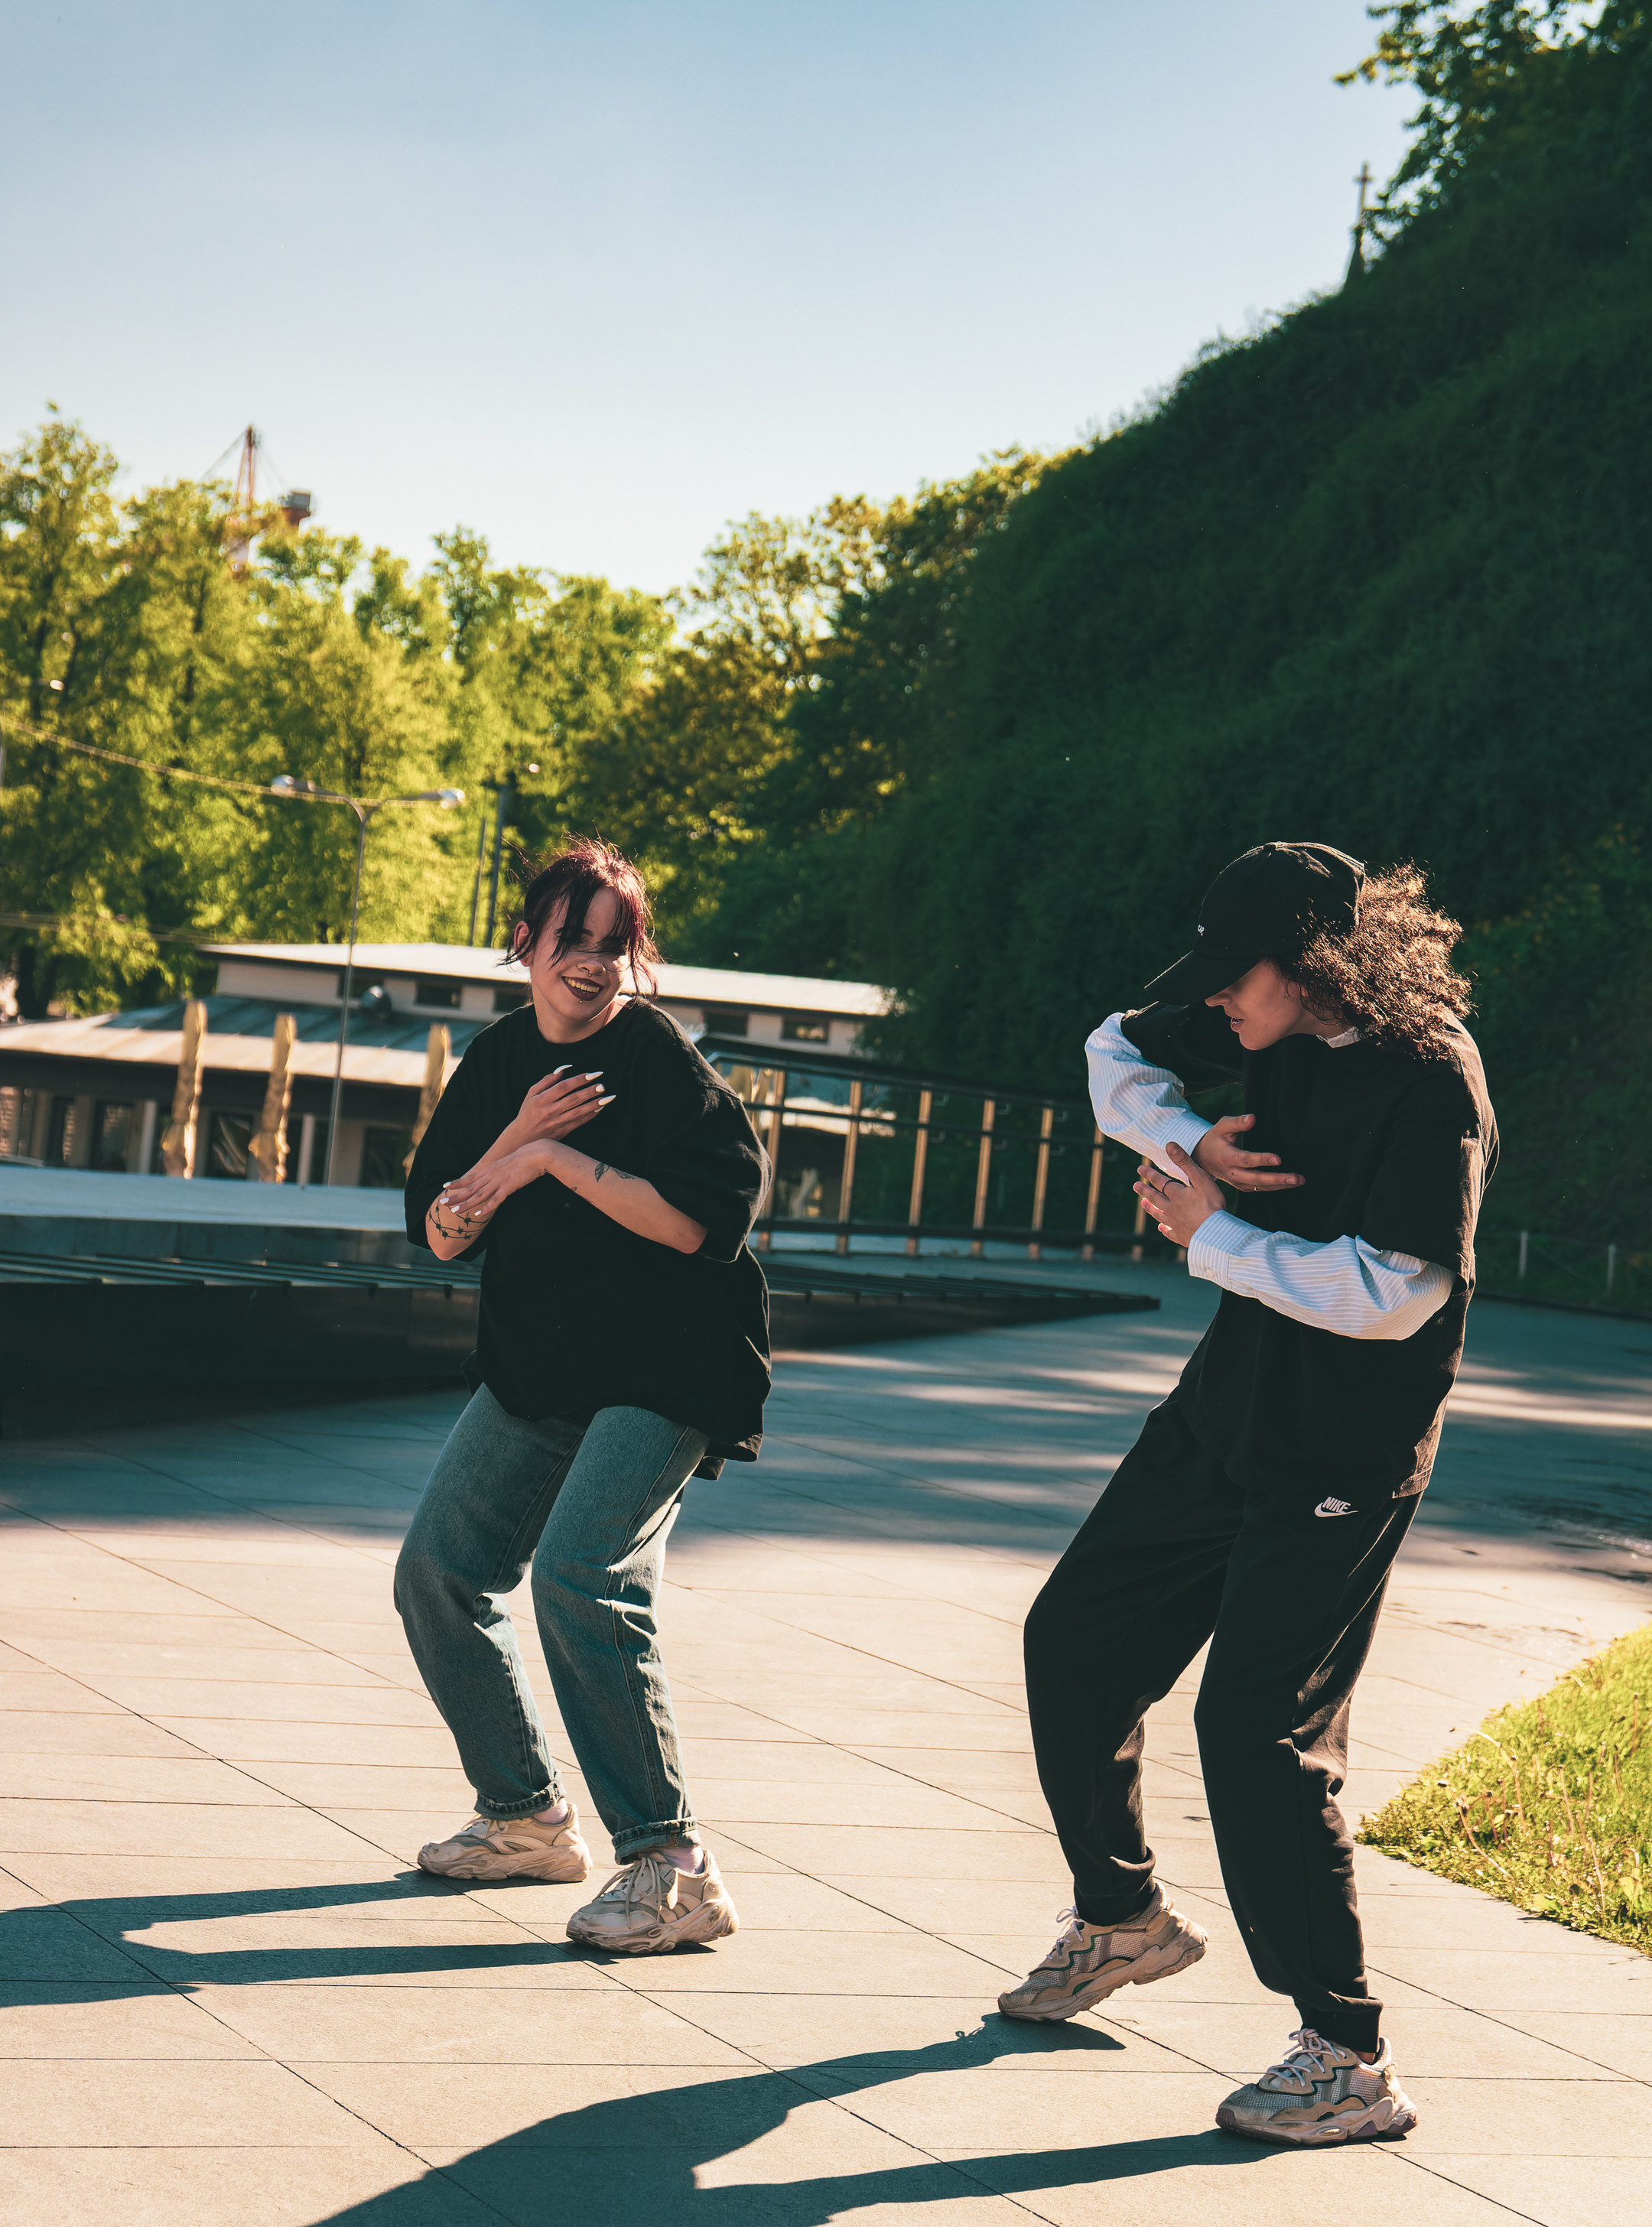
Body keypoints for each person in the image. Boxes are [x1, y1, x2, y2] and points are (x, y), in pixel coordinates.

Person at [998, 841, 1496, 2147]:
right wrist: (1186, 1136)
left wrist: (1211, 1238)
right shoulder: (1263, 1019)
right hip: (1225, 1413)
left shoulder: (1431, 1082)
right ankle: (1121, 1920)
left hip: (1341, 1454)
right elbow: (1113, 1050)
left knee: (1255, 1731)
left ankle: (1346, 2054)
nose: (1217, 1002)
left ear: (1319, 965)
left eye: (1237, 978)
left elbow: (1396, 1297)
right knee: (1076, 1642)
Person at [395, 837, 771, 1955]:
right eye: (575, 940)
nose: (596, 964)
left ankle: (672, 1867)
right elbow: (439, 1232)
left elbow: (708, 1223)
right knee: (437, 1574)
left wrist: (555, 1165)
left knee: (580, 1575)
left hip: (668, 1364)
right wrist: (517, 1140)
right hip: (544, 1367)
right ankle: (523, 1817)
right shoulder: (501, 1059)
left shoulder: (652, 1055)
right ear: (527, 943)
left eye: (618, 945)